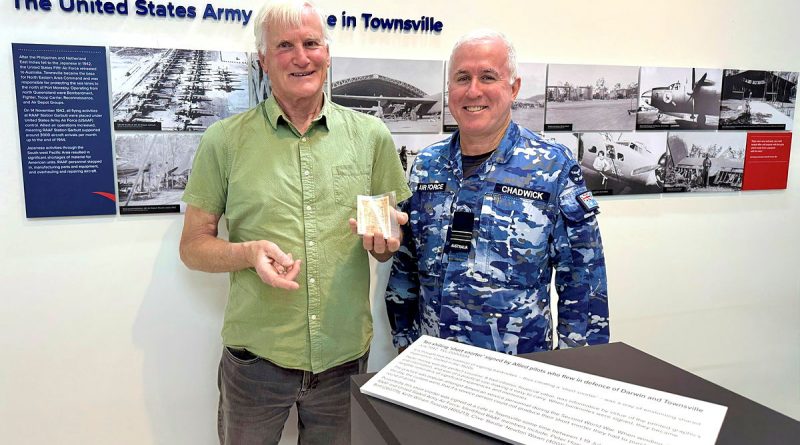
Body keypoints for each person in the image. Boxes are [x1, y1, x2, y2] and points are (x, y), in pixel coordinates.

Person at [178, 1, 410, 444]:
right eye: (284, 45)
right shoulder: (224, 141)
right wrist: (247, 253)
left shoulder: (371, 137)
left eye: (310, 43)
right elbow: (192, 246)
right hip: (257, 361)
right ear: (262, 60)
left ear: (327, 52)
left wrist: (383, 243)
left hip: (343, 361)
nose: (301, 57)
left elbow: (382, 240)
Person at [386, 29, 609, 356]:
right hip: (432, 365)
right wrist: (404, 344)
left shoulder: (552, 167)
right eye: (462, 78)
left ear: (514, 87)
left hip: (516, 372)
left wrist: (581, 371)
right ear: (449, 88)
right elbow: (406, 266)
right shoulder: (426, 166)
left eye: (487, 77)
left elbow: (583, 282)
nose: (473, 91)